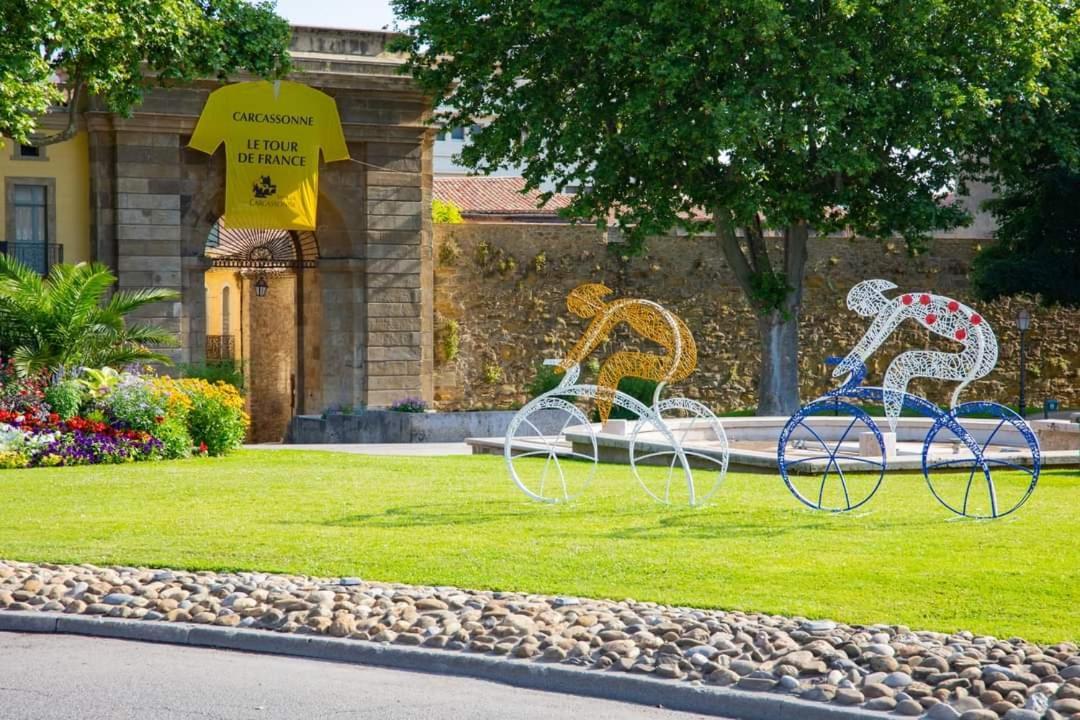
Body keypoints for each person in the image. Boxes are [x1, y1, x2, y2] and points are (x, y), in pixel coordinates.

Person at [834, 279, 998, 429]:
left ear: (869, 300)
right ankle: (892, 426)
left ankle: (891, 430)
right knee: (903, 364)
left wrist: (844, 372)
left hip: (979, 356)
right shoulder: (908, 302)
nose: (860, 312)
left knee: (901, 366)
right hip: (981, 353)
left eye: (858, 307)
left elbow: (870, 343)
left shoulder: (900, 304)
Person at [556, 283, 697, 422]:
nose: (578, 314)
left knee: (614, 365)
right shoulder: (622, 306)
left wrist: (567, 363)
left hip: (678, 361)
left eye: (577, 309)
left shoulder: (614, 309)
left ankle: (604, 420)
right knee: (615, 363)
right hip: (681, 357)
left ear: (587, 303)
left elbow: (590, 340)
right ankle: (605, 417)